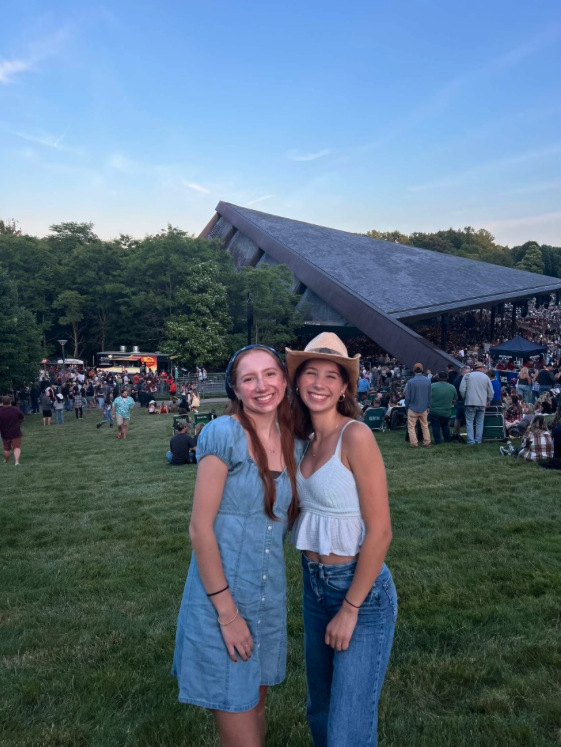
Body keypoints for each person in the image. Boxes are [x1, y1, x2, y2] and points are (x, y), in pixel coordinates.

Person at [173, 345, 301, 747]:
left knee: (258, 706)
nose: (261, 386)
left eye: (269, 374)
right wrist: (228, 615)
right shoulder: (223, 434)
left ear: (284, 379)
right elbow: (200, 529)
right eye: (249, 378)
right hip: (222, 601)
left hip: (267, 598)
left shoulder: (294, 444)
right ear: (236, 388)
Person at [286, 332, 396, 747]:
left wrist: (350, 608)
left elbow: (381, 531)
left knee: (347, 730)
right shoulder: (305, 442)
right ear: (297, 382)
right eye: (310, 373)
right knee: (320, 710)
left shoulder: (356, 436)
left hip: (360, 594)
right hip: (314, 587)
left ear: (345, 387)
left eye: (330, 376)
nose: (319, 383)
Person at [459, 362, 494, 445]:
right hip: (482, 403)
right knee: (479, 422)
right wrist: (488, 400)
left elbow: (462, 389)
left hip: (470, 402)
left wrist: (465, 398)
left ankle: (470, 441)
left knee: (469, 422)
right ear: (481, 368)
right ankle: (478, 440)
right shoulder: (486, 377)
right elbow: (491, 392)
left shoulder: (467, 376)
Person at [404, 363, 432, 448]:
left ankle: (414, 444)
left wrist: (407, 407)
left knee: (411, 427)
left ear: (414, 370)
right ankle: (427, 443)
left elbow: (407, 396)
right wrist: (428, 406)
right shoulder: (427, 381)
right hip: (423, 407)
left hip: (412, 407)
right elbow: (429, 395)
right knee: (425, 426)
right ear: (422, 369)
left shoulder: (411, 382)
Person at [429, 371, 457, 444]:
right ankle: (447, 439)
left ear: (438, 377)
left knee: (435, 427)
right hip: (446, 411)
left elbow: (427, 397)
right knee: (445, 426)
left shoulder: (432, 386)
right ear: (447, 378)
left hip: (434, 411)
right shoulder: (452, 387)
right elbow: (454, 400)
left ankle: (438, 441)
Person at [0, 395, 24, 466]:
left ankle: (6, 461)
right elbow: (21, 417)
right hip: (15, 431)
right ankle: (16, 462)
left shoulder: (0, 411)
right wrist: (19, 423)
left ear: (2, 402)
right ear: (10, 401)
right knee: (16, 447)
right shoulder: (16, 409)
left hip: (4, 431)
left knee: (6, 448)